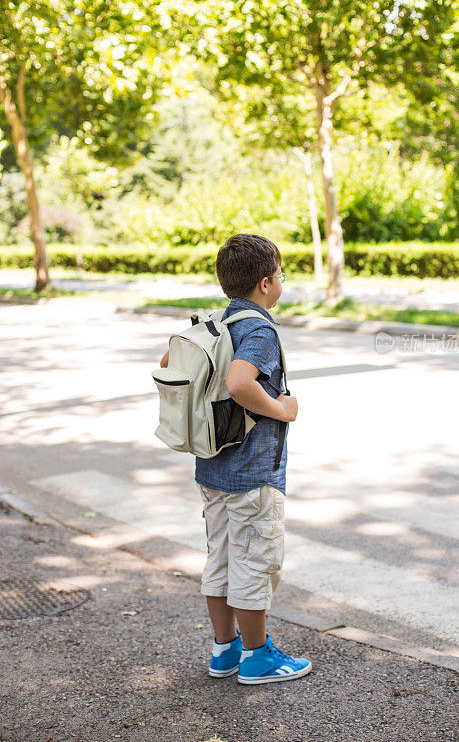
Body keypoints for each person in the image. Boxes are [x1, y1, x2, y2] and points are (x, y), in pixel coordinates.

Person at [162, 233, 311, 684]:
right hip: (252, 473)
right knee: (255, 562)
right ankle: (257, 657)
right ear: (266, 283)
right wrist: (283, 407)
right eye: (281, 275)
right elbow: (240, 383)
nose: (282, 282)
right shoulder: (260, 328)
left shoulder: (216, 321)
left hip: (212, 467)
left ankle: (224, 651)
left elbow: (171, 360)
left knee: (221, 560)